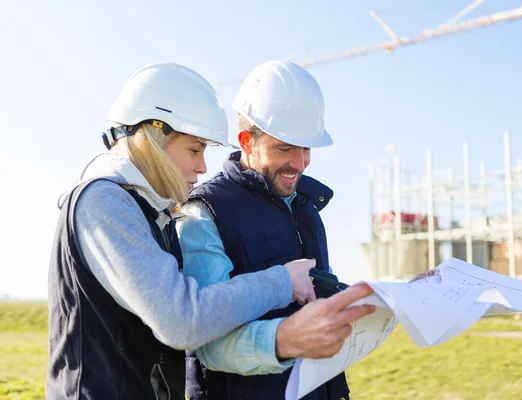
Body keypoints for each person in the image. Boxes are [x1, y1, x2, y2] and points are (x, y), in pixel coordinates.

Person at [46, 62, 375, 400]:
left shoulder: (144, 208)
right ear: (153, 137)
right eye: (194, 149)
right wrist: (283, 283)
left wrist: (391, 297)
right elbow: (182, 319)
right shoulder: (105, 203)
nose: (203, 166)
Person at [180, 60, 423, 400]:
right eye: (285, 148)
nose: (300, 162)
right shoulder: (204, 213)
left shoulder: (305, 206)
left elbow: (322, 295)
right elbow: (206, 343)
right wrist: (285, 339)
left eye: (306, 148)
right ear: (246, 142)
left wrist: (399, 297)